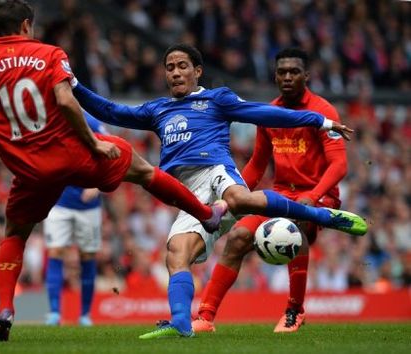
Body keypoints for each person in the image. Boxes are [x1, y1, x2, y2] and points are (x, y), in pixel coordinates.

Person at [0, 1, 229, 341]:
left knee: (14, 234)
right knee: (143, 171)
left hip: (30, 172)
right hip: (71, 153)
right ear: (27, 25)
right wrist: (94, 142)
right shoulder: (48, 54)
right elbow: (66, 99)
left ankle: (6, 309)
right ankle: (206, 215)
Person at [72, 43, 367, 339]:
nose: (176, 72)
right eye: (170, 67)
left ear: (197, 71)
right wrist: (74, 85)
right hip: (188, 194)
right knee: (177, 254)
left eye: (182, 66)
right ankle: (181, 322)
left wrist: (319, 120)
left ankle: (320, 216)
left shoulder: (218, 99)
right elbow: (110, 110)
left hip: (216, 171)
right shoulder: (156, 110)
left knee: (237, 198)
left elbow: (265, 113)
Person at [191, 47, 350, 333]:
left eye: (294, 72)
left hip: (319, 195)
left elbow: (338, 166)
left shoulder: (323, 111)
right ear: (275, 76)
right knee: (238, 237)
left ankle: (294, 311)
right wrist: (233, 194)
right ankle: (205, 316)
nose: (287, 77)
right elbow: (256, 165)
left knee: (296, 221)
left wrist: (312, 197)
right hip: (281, 193)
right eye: (282, 72)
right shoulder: (269, 113)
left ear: (307, 76)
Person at [43, 112, 105, 327]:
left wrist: (98, 185)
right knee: (55, 250)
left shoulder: (92, 121)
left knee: (87, 255)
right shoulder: (50, 119)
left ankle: (85, 315)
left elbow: (110, 153)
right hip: (58, 202)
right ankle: (54, 313)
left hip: (88, 206)